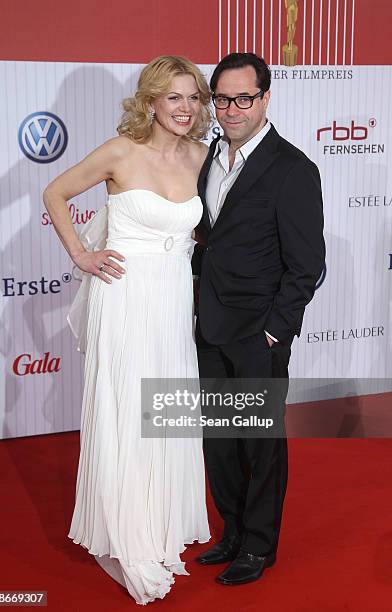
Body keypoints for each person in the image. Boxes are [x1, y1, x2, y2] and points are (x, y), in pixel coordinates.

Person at [43, 55, 212, 605]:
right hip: (124, 299)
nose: (185, 108)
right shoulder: (120, 152)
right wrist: (81, 256)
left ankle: (159, 523)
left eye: (193, 97)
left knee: (163, 413)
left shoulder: (204, 157)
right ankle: (123, 531)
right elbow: (55, 194)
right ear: (151, 101)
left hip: (172, 302)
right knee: (125, 411)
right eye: (174, 97)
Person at [193, 53, 325, 585]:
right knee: (219, 440)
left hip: (258, 334)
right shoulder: (207, 158)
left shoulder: (293, 168)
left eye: (243, 99)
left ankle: (259, 545)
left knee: (260, 444)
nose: (230, 110)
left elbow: (307, 264)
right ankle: (231, 531)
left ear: (266, 98)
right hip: (207, 326)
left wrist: (276, 329)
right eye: (221, 99)